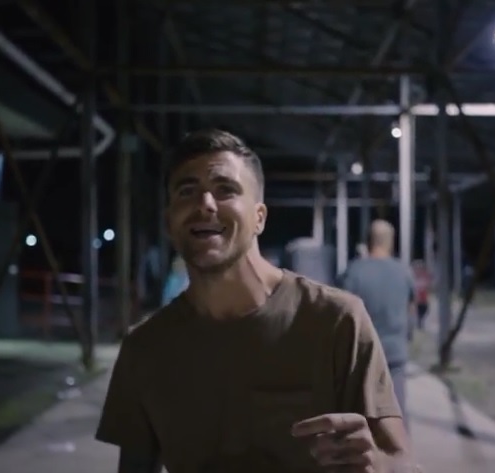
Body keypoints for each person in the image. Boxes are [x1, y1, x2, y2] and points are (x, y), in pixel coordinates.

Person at [96, 129, 416, 473]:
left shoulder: (337, 321)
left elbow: (402, 463)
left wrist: (377, 463)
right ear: (169, 221)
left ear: (259, 217)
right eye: (187, 191)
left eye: (225, 190)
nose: (205, 204)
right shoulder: (145, 349)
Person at [338, 220, 416, 422]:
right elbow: (411, 310)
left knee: (360, 418)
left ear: (368, 241)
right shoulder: (404, 272)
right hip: (395, 353)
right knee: (396, 415)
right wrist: (408, 335)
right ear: (391, 242)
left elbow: (342, 313)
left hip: (363, 354)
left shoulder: (354, 271)